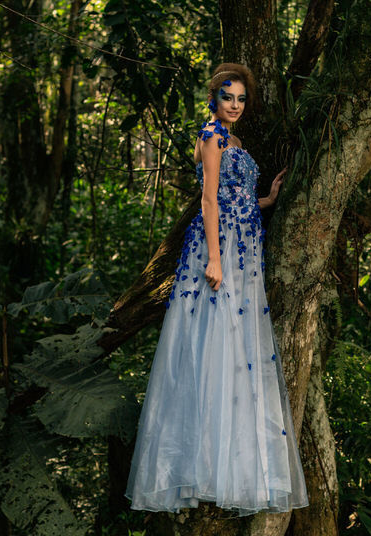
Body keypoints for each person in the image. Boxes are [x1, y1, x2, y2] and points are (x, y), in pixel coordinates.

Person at [124, 63, 308, 517]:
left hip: (245, 247)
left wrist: (268, 199)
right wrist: (215, 256)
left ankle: (233, 461)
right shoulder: (212, 136)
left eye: (242, 98)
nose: (236, 105)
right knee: (211, 342)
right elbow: (209, 199)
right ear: (214, 98)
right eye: (229, 97)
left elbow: (236, 195)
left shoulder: (237, 142)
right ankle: (200, 464)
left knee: (237, 345)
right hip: (219, 246)